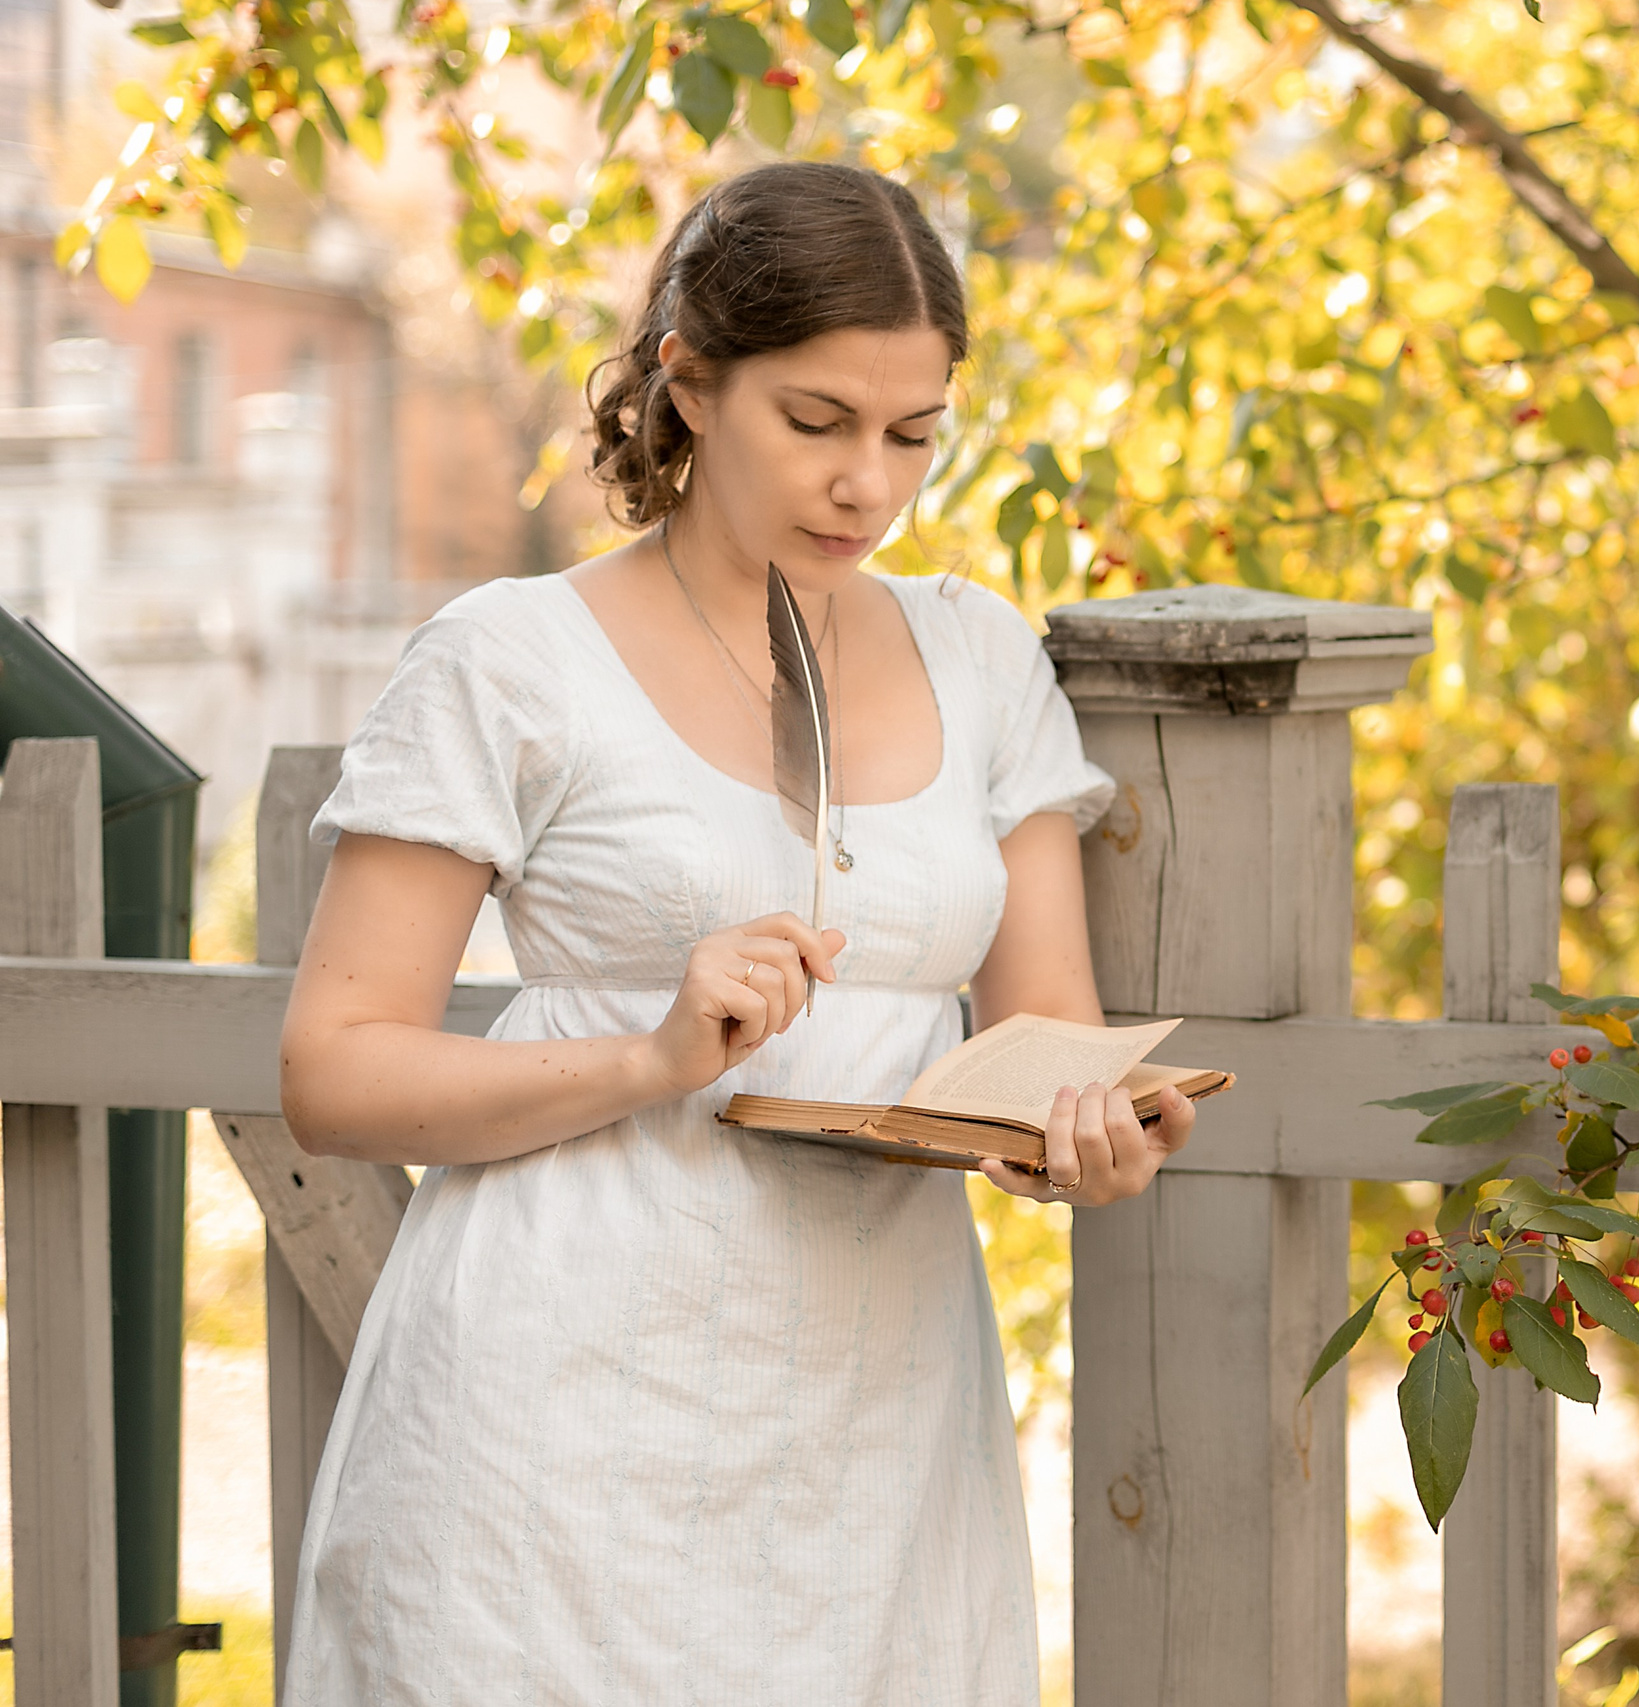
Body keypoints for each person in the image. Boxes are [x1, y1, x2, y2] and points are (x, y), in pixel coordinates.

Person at [275, 160, 1191, 1704]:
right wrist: (650, 1056)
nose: (869, 486)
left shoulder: (978, 658)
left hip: (873, 1429)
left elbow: (1044, 1038)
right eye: (817, 422)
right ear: (689, 387)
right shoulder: (512, 659)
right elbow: (335, 1072)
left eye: (914, 434)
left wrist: (1087, 1140)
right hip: (548, 1427)